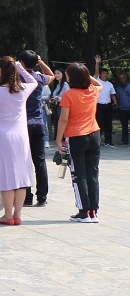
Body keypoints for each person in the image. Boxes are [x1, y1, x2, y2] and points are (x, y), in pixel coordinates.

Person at [0, 56, 40, 225]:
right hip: (20, 137)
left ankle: (8, 215)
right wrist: (20, 68)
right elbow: (34, 82)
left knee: (6, 177)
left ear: (0, 70)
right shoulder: (23, 89)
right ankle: (17, 214)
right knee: (21, 177)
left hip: (0, 136)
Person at [56, 62, 103, 222]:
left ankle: (84, 212)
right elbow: (99, 84)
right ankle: (93, 212)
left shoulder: (69, 94)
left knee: (78, 175)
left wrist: (58, 140)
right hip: (94, 134)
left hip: (76, 136)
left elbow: (63, 119)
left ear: (71, 77)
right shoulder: (93, 90)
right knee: (93, 174)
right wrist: (85, 74)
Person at [17, 51, 52, 208]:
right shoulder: (39, 78)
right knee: (40, 161)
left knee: (23, 161)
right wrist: (41, 62)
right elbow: (51, 75)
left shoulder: (17, 78)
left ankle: (27, 197)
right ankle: (42, 197)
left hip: (22, 124)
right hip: (38, 122)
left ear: (22, 63)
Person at [94, 56, 117, 147]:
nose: (105, 75)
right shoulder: (97, 81)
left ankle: (108, 141)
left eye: (106, 73)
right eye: (103, 73)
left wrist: (115, 103)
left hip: (108, 106)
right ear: (100, 74)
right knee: (98, 123)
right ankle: (97, 142)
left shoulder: (110, 84)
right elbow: (96, 72)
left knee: (108, 124)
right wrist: (97, 63)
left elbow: (112, 95)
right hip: (99, 105)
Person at [115, 71, 130, 145]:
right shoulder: (118, 88)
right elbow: (117, 98)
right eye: (120, 79)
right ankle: (124, 140)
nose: (122, 80)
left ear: (126, 78)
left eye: (123, 78)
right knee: (124, 126)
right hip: (122, 109)